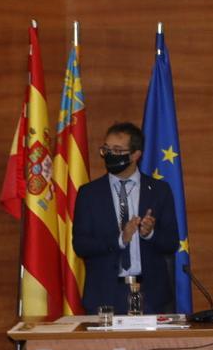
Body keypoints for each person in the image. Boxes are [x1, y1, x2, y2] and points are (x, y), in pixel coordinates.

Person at [72, 122, 179, 314]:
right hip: (105, 296)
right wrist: (120, 239)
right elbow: (80, 245)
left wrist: (150, 233)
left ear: (136, 154)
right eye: (106, 149)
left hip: (151, 296)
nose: (110, 154)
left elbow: (171, 242)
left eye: (117, 150)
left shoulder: (159, 191)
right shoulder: (89, 194)